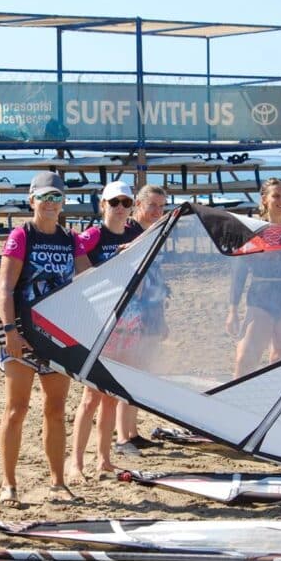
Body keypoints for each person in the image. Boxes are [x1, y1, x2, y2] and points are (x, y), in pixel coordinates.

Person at [0, 171, 92, 507]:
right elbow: (5, 287)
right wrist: (10, 332)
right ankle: (8, 483)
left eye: (57, 198)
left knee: (55, 410)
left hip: (57, 337)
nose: (51, 204)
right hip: (21, 335)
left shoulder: (71, 239)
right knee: (16, 410)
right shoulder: (22, 235)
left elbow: (89, 280)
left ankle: (58, 482)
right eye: (45, 198)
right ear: (32, 200)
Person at [66, 181, 143, 480]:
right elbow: (79, 274)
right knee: (90, 398)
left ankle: (103, 459)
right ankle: (76, 461)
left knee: (111, 395)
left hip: (129, 322)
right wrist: (115, 261)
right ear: (103, 205)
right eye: (114, 203)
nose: (120, 208)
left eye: (125, 202)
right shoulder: (93, 236)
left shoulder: (137, 233)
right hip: (99, 324)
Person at [225, 177, 281, 377]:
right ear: (264, 199)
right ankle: (236, 400)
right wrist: (233, 310)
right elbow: (239, 272)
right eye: (276, 196)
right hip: (260, 298)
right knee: (245, 358)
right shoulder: (252, 230)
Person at [113, 184, 169, 454]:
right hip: (132, 314)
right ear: (138, 204)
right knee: (128, 373)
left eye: (162, 206)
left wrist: (162, 317)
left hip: (153, 310)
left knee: (140, 372)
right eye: (153, 205)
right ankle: (122, 436)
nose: (157, 211)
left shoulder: (156, 233)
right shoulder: (129, 232)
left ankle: (132, 432)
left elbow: (158, 279)